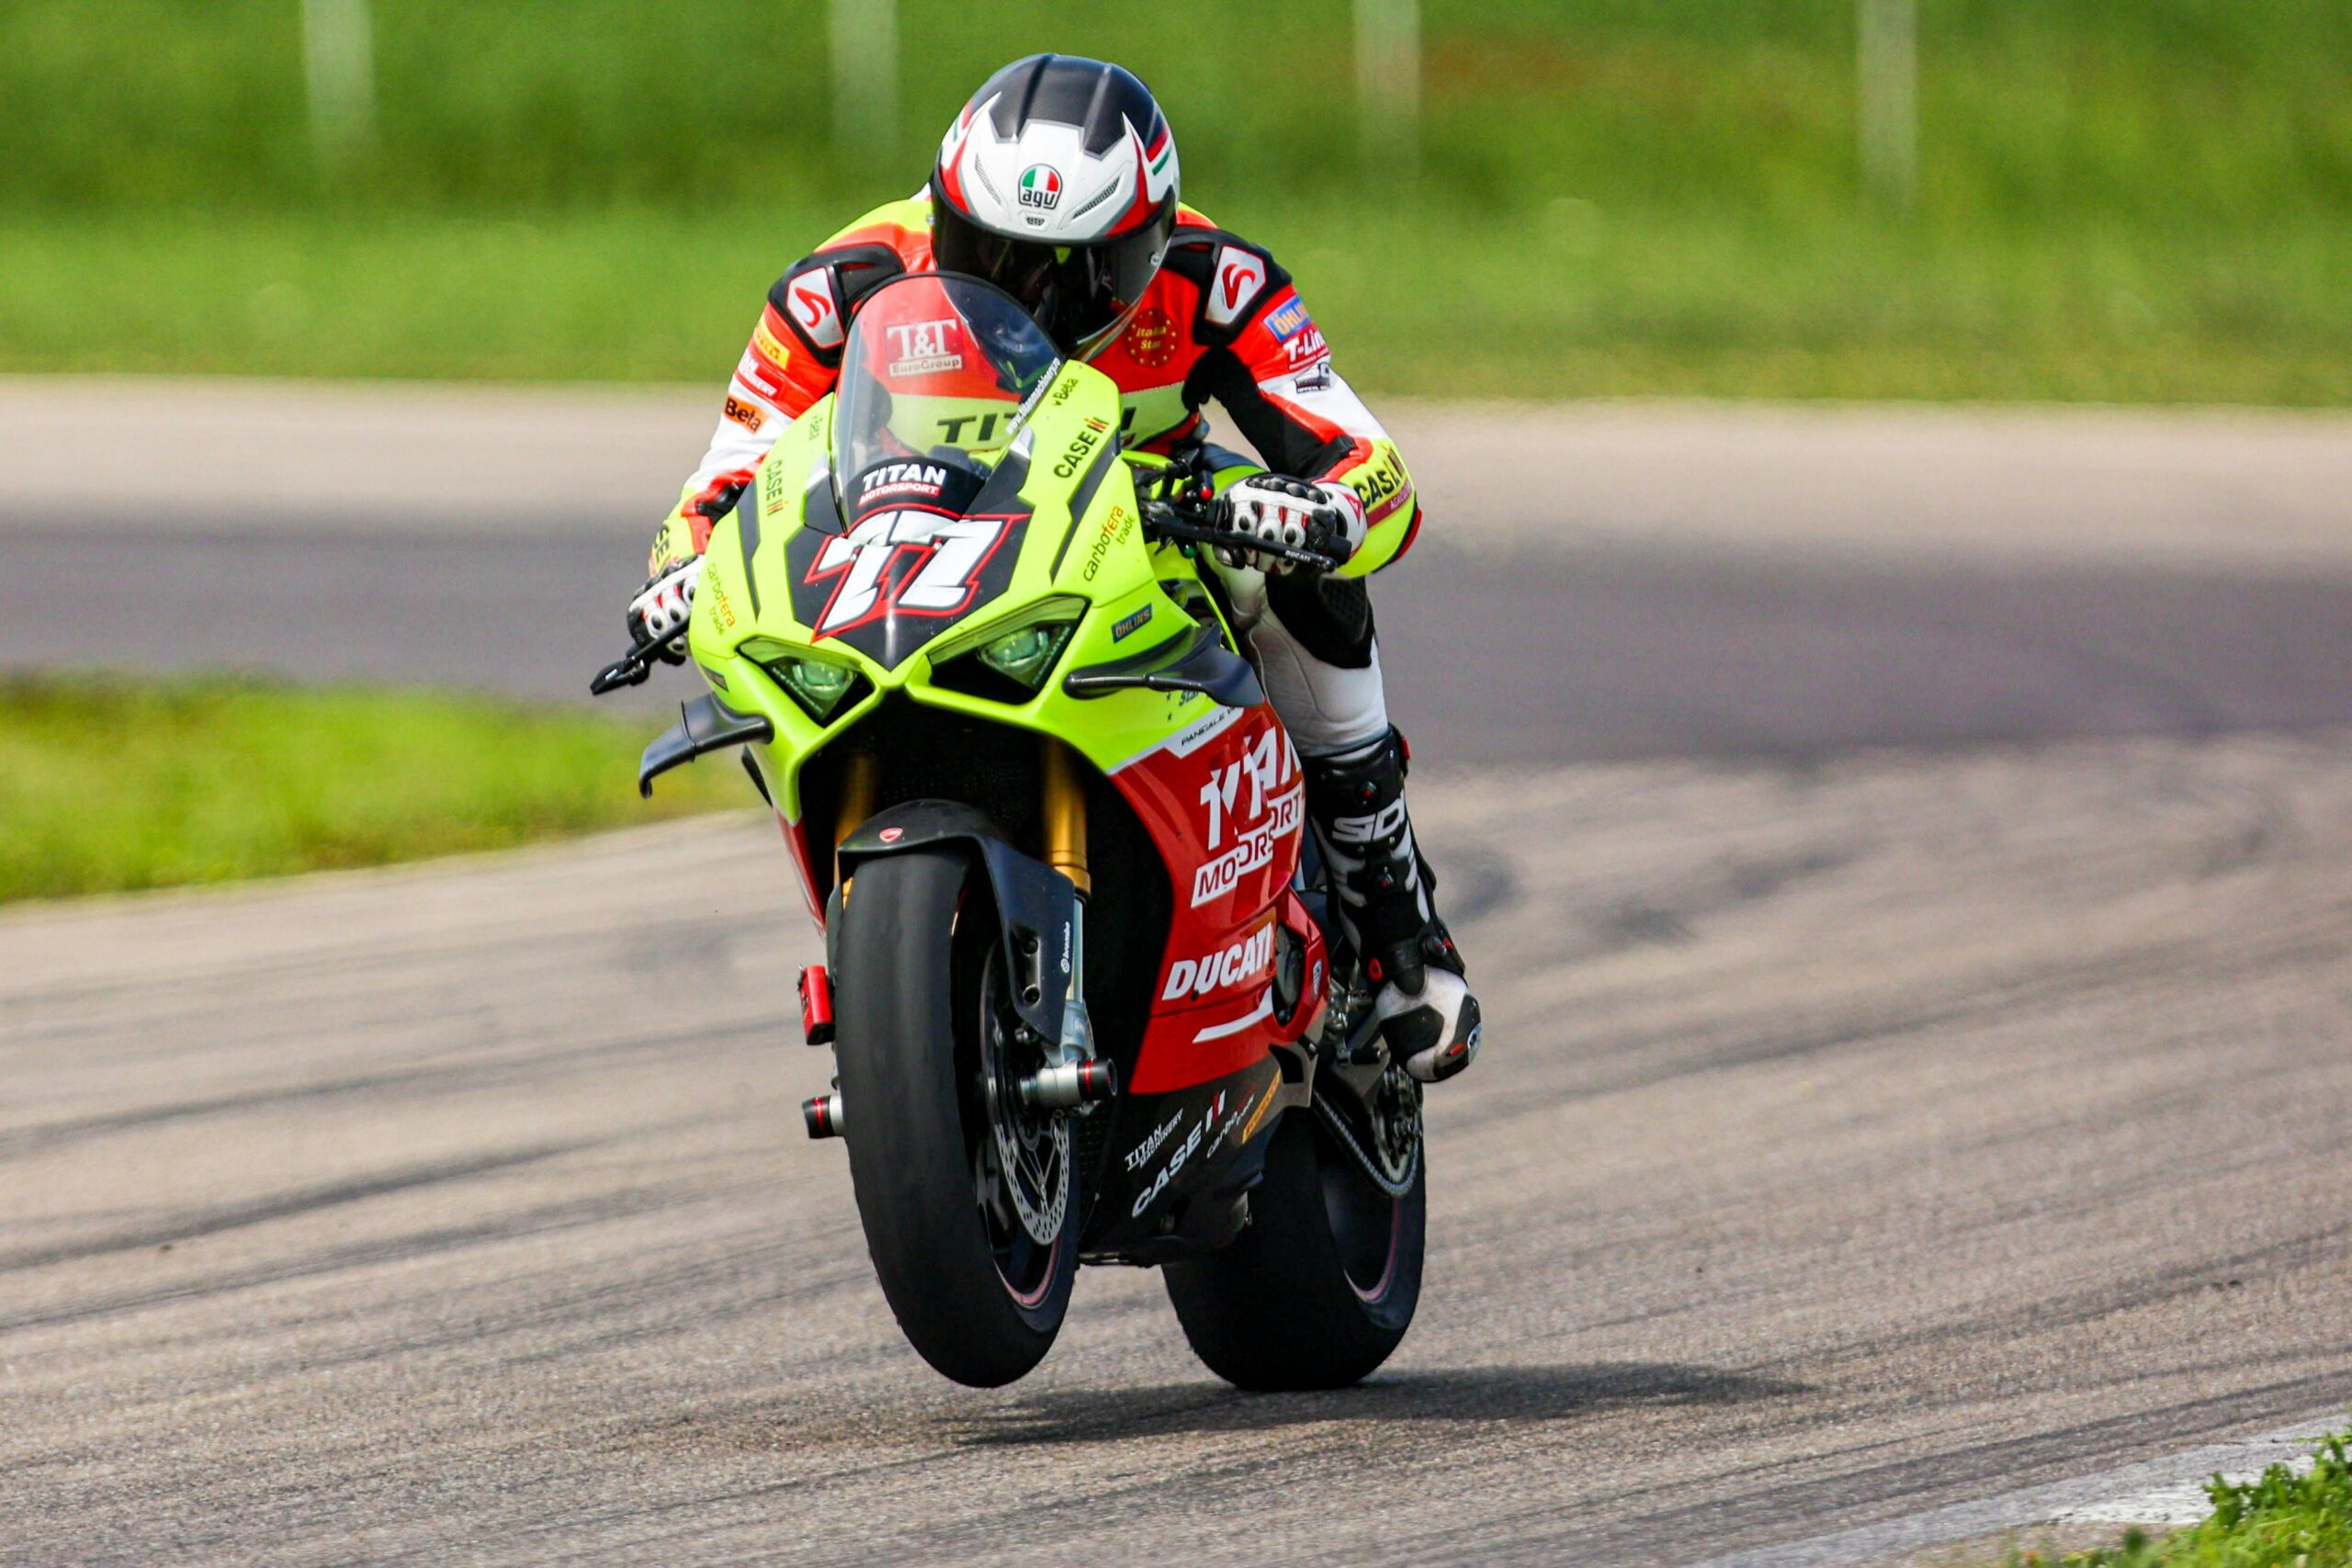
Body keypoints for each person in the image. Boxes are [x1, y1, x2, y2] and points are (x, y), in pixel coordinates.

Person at [626, 53, 1478, 1084]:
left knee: (1294, 580)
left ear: (1148, 242)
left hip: (1151, 516)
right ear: (943, 216)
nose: (1026, 296)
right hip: (934, 535)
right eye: (986, 256)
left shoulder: (1217, 279)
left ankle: (1394, 918)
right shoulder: (842, 285)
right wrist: (681, 567)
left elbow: (1370, 462)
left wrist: (1322, 509)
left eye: (1076, 273)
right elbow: (729, 472)